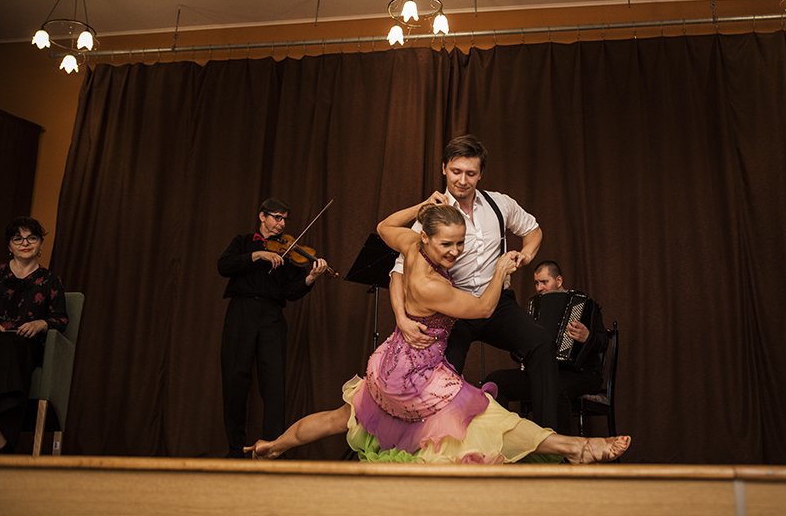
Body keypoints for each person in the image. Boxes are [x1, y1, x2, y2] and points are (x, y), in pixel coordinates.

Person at [244, 200, 630, 463]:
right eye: (447, 244)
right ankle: (577, 448)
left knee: (340, 418)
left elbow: (383, 226)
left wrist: (421, 208)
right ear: (427, 238)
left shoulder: (412, 244)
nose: (455, 251)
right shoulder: (430, 286)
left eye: (460, 242)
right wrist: (499, 271)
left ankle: (272, 446)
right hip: (417, 376)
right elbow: (483, 309)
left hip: (392, 363)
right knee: (487, 415)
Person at [389, 135, 562, 429]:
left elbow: (533, 230)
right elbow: (398, 273)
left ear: (480, 173)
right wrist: (401, 318)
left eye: (470, 173)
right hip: (453, 311)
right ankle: (434, 444)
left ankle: (549, 439)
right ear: (444, 168)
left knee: (542, 343)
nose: (462, 180)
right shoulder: (431, 215)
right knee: (442, 376)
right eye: (456, 171)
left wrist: (526, 255)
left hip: (497, 304)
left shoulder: (500, 204)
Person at [218, 197, 329, 458]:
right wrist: (257, 255)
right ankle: (235, 449)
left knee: (274, 384)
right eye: (277, 217)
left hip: (271, 317)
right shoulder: (243, 242)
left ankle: (272, 449)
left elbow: (291, 292)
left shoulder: (289, 252)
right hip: (241, 313)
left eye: (284, 219)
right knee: (235, 380)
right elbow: (223, 266)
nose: (281, 224)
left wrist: (310, 278)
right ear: (262, 216)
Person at [484, 260, 608, 435]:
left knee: (553, 387)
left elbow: (603, 342)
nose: (539, 288)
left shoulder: (585, 305)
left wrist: (588, 337)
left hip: (580, 374)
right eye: (536, 283)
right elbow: (520, 350)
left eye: (544, 282)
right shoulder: (534, 308)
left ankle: (557, 447)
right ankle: (505, 441)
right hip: (542, 372)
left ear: (559, 280)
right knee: (496, 381)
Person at [0, 217, 67, 453]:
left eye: (31, 238)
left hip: (26, 346)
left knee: (13, 347)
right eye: (18, 239)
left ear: (40, 244)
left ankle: (1, 441)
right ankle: (1, 443)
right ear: (9, 245)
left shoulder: (50, 281)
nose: (25, 243)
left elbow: (61, 319)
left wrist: (41, 323)